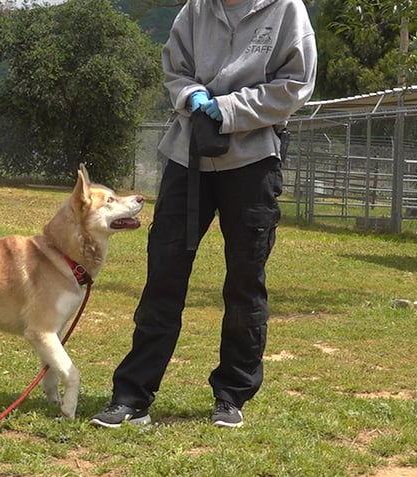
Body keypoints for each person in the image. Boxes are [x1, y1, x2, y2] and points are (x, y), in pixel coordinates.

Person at [91, 0, 316, 428]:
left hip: (253, 161)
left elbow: (295, 85)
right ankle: (132, 396)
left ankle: (232, 395)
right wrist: (188, 93)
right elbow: (174, 68)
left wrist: (228, 109)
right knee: (164, 275)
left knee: (245, 281)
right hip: (187, 157)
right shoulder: (195, 10)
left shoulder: (287, 10)